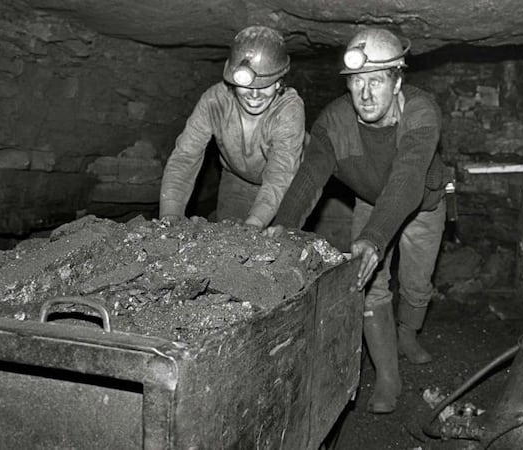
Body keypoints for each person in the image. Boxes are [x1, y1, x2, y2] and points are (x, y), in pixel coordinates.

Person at [264, 28, 448, 414]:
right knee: (369, 283)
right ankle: (387, 375)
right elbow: (311, 175)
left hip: (424, 206)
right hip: (370, 201)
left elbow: (408, 177)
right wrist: (284, 223)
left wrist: (376, 235)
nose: (365, 95)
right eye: (357, 82)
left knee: (417, 282)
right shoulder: (335, 122)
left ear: (398, 81)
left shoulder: (421, 112)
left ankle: (408, 333)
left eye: (376, 81)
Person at [159, 26, 305, 229]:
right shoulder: (215, 101)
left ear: (280, 81)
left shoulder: (289, 109)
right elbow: (185, 157)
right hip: (237, 180)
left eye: (264, 85)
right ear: (232, 79)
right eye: (247, 86)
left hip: (289, 186)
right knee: (227, 244)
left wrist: (254, 224)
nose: (254, 95)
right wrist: (170, 215)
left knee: (276, 247)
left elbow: (280, 176)